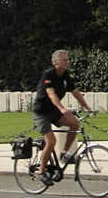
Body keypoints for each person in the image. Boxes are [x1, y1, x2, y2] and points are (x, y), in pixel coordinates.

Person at [32, 49, 92, 186]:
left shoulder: (65, 75)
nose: (68, 62)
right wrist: (62, 108)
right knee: (51, 141)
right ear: (56, 62)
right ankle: (41, 172)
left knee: (75, 124)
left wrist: (87, 107)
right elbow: (51, 93)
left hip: (53, 111)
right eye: (65, 59)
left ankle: (64, 153)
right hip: (41, 113)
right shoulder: (48, 74)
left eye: (67, 59)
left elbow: (75, 92)